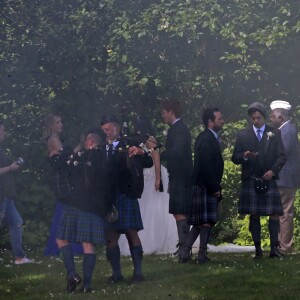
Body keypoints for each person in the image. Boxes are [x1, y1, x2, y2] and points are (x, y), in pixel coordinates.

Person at [51, 128, 114, 293]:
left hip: (76, 205)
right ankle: (86, 285)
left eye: (86, 141)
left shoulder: (81, 157)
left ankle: (72, 274)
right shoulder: (106, 158)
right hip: (95, 208)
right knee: (88, 245)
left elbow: (62, 167)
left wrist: (67, 152)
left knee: (61, 239)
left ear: (91, 142)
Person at [232, 102, 287, 259]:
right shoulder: (243, 134)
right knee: (254, 214)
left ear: (263, 117)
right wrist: (244, 156)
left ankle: (274, 250)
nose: (255, 120)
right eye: (253, 118)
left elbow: (282, 156)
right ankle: (257, 251)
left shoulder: (274, 132)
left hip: (269, 178)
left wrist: (273, 171)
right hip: (251, 179)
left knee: (275, 213)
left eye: (258, 117)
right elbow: (235, 157)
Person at [101, 116, 153, 283]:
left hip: (126, 193)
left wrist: (141, 151)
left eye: (108, 130)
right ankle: (116, 274)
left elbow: (148, 161)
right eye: (103, 131)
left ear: (116, 129)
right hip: (108, 196)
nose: (106, 133)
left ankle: (138, 273)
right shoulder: (100, 148)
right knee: (110, 234)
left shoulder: (128, 144)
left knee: (131, 232)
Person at [118, 117, 178, 255]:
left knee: (156, 205)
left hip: (152, 175)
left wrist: (158, 178)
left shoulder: (150, 139)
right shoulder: (137, 139)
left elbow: (156, 159)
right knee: (145, 205)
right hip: (143, 176)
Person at [181, 107, 224, 264]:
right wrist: (214, 188)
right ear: (210, 122)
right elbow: (206, 166)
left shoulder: (208, 137)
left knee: (200, 223)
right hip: (205, 185)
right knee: (205, 222)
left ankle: (185, 253)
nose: (222, 121)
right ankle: (201, 255)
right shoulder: (206, 139)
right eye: (219, 119)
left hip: (204, 185)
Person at [43, 113, 83, 256]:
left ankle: (64, 245)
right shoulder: (53, 140)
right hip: (62, 179)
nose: (61, 125)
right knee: (65, 210)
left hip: (62, 178)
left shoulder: (57, 139)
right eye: (58, 122)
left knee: (64, 210)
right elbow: (67, 159)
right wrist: (79, 147)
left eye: (61, 122)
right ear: (51, 126)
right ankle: (61, 246)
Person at [160, 100, 193, 261]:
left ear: (170, 111)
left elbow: (177, 152)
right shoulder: (178, 129)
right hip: (180, 176)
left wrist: (159, 154)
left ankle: (184, 249)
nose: (162, 116)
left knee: (179, 211)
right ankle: (184, 247)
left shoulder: (179, 130)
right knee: (179, 212)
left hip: (181, 176)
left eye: (163, 113)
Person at [0, 121, 33, 265]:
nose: (4, 133)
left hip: (7, 195)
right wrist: (10, 168)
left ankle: (19, 257)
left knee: (17, 223)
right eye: (2, 130)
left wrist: (13, 165)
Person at [269, 100, 300, 253]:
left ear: (281, 118)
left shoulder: (287, 131)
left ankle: (285, 246)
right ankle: (281, 245)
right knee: (281, 212)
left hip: (285, 178)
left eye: (272, 116)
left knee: (285, 212)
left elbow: (282, 153)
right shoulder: (286, 129)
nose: (270, 119)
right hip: (283, 177)